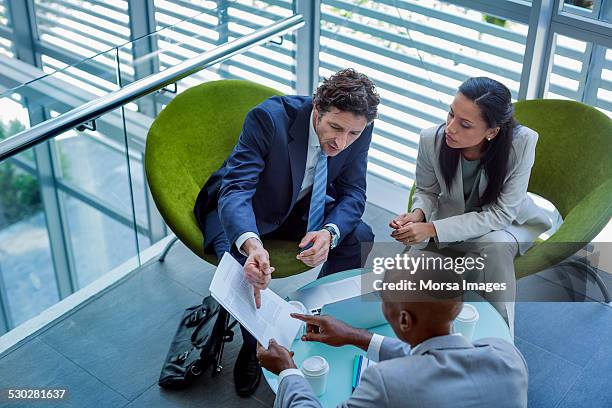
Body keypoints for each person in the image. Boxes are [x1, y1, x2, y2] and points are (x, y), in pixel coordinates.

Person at [193, 68, 380, 396]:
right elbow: (236, 189)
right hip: (248, 207)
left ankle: (327, 323)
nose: (342, 142)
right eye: (335, 128)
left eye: (352, 134)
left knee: (360, 236)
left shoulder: (359, 129)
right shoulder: (268, 119)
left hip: (302, 204)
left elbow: (354, 192)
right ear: (317, 109)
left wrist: (329, 233)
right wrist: (252, 244)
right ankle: (257, 350)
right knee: (244, 268)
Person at [257, 251, 529, 407]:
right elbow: (439, 359)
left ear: (404, 321)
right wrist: (355, 336)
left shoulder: (386, 384)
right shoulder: (507, 355)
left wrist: (287, 371)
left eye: (383, 300)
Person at [389, 77, 552, 335]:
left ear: (491, 131)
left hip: (506, 224)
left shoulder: (522, 144)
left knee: (495, 247)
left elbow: (501, 214)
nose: (450, 128)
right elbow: (427, 191)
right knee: (407, 274)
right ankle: (424, 337)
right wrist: (418, 214)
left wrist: (431, 228)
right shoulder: (431, 139)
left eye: (464, 124)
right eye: (450, 114)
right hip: (449, 221)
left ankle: (501, 335)